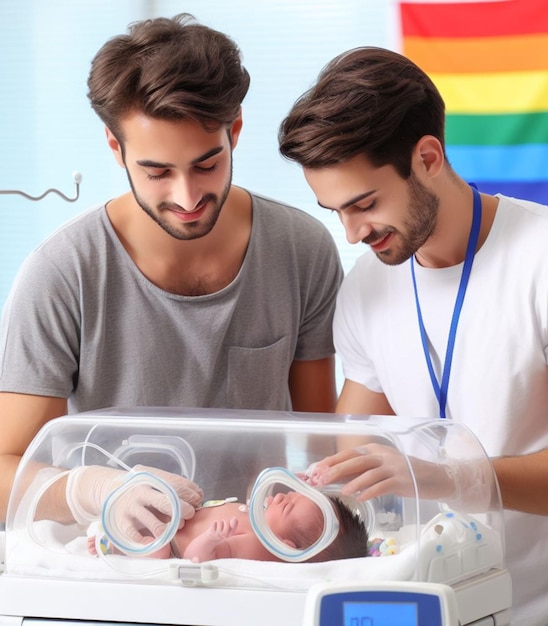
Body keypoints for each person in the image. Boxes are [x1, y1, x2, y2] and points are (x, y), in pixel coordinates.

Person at [0, 14, 343, 524]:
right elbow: (7, 469)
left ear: (235, 132)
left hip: (252, 559)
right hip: (110, 565)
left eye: (207, 164)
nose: (187, 197)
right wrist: (90, 490)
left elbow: (321, 445)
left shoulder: (301, 249)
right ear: (116, 149)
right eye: (157, 172)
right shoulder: (62, 273)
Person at [278, 46, 548, 625]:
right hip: (432, 605)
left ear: (428, 156)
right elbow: (351, 455)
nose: (352, 233)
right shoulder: (366, 288)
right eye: (335, 212)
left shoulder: (539, 260)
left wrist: (446, 477)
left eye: (365, 204)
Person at [88, 490, 369, 563]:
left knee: (157, 550)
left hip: (172, 543)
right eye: (290, 494)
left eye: (286, 506)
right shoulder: (261, 522)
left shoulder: (256, 544)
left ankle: (114, 545)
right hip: (179, 517)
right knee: (143, 507)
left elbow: (196, 559)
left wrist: (210, 539)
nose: (280, 496)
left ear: (287, 546)